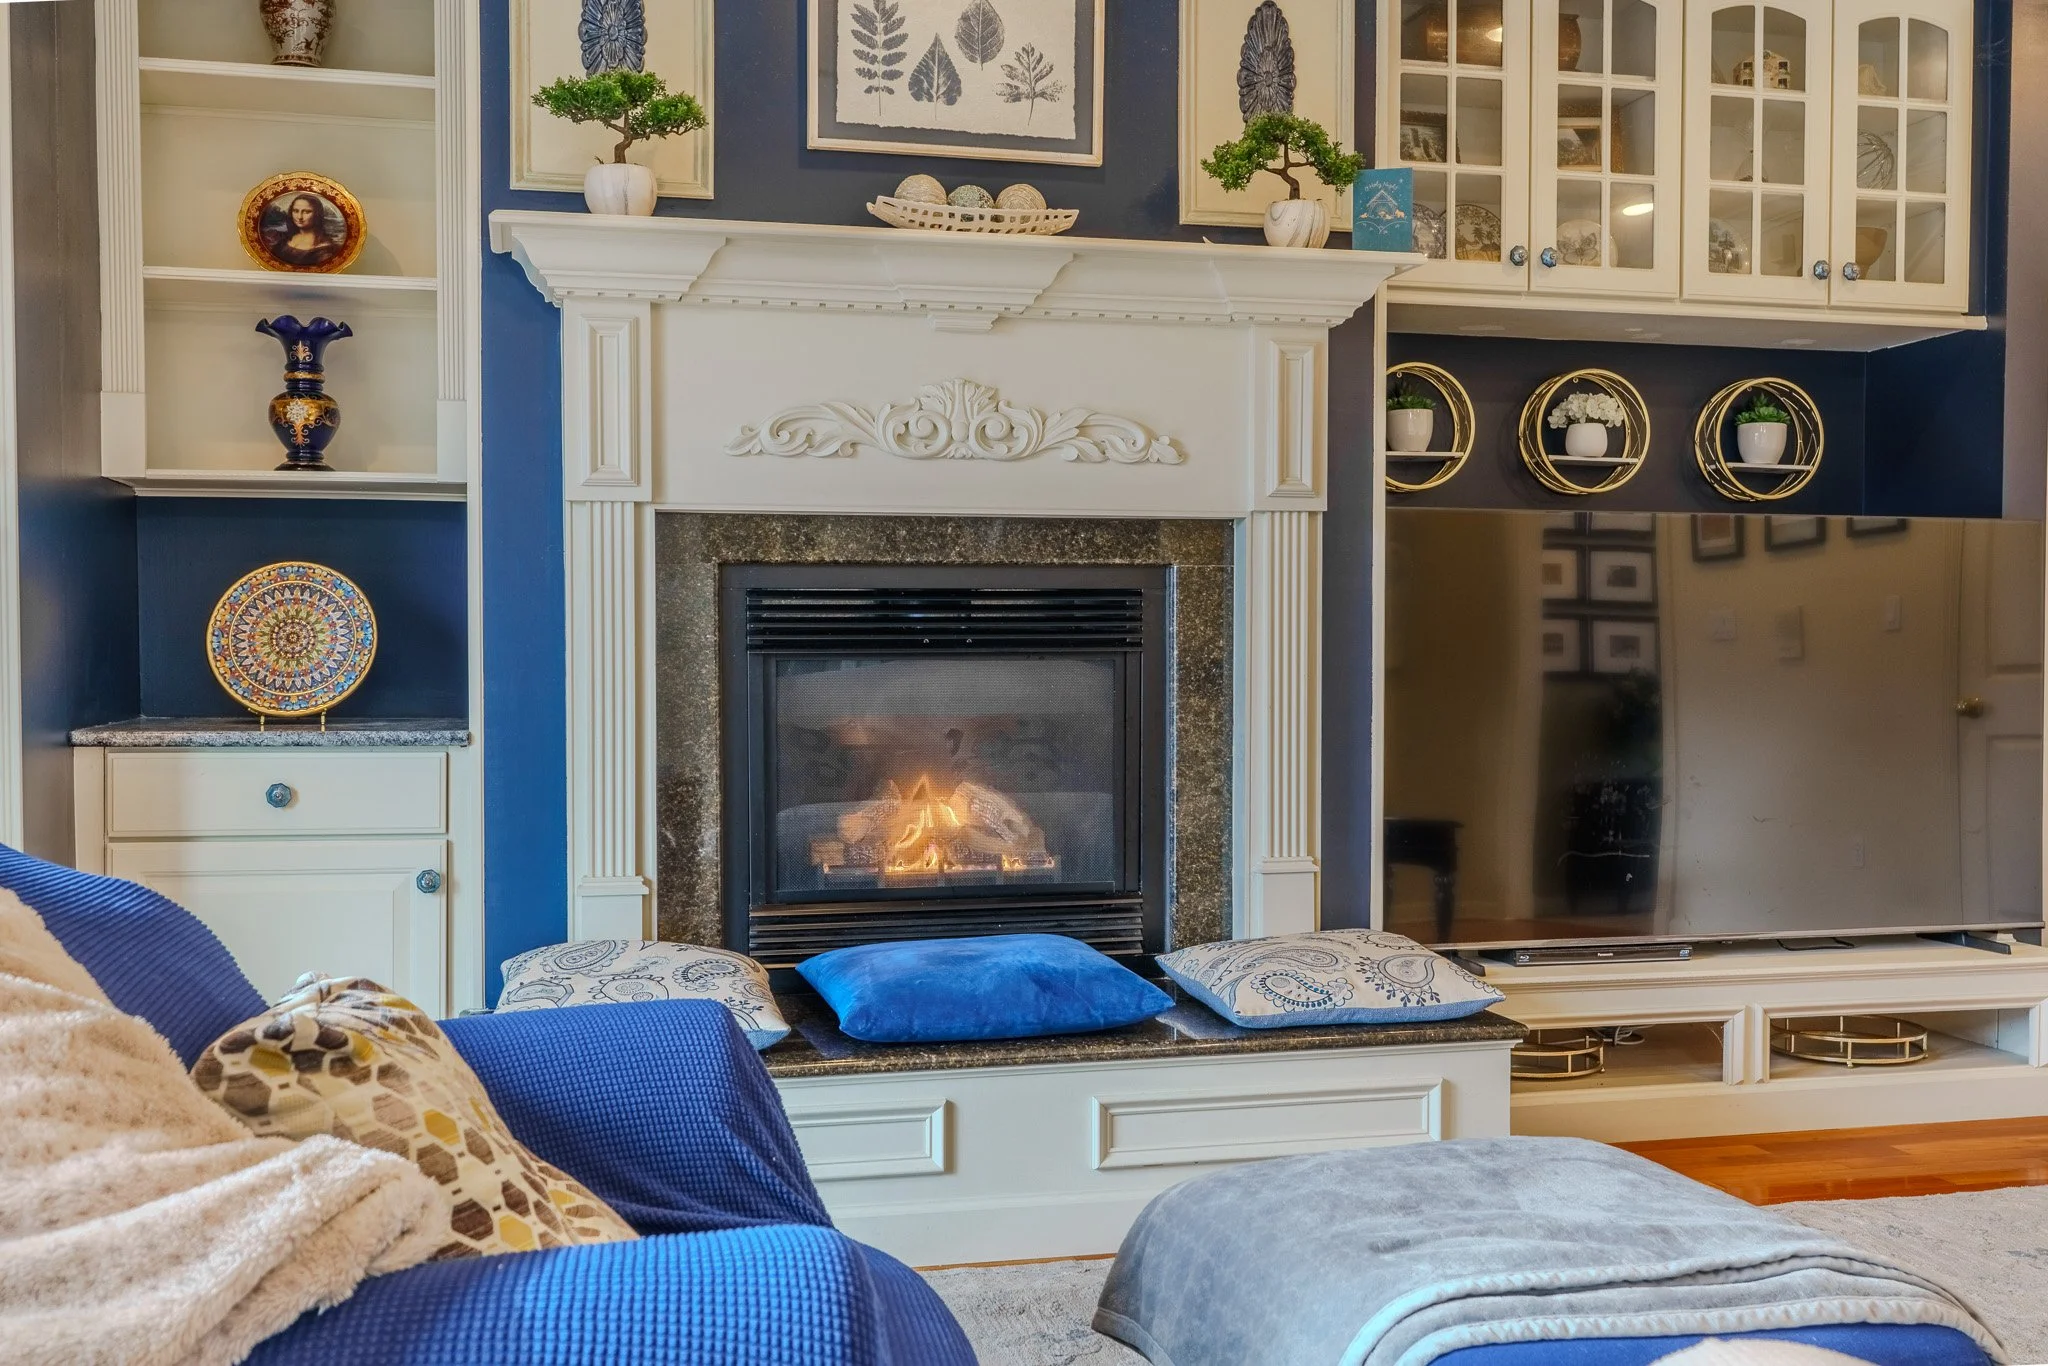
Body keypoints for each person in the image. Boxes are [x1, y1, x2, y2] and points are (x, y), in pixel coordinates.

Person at [266, 193, 344, 268]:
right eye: (296, 211)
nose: (299, 217)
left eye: (306, 212)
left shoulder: (324, 250)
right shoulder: (285, 238)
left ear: (317, 214)